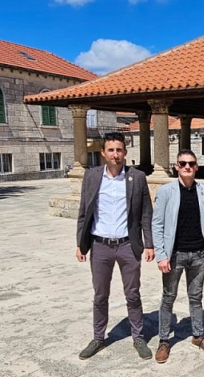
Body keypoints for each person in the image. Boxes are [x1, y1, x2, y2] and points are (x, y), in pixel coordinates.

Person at [76, 133, 155, 361]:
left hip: (128, 245)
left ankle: (138, 337)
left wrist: (149, 244)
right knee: (100, 295)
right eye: (111, 150)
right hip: (100, 245)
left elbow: (146, 213)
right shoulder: (91, 176)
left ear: (125, 152)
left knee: (133, 294)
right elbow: (84, 211)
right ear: (103, 153)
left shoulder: (137, 177)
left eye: (119, 150)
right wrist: (80, 243)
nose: (115, 154)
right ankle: (98, 338)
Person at [151, 149, 204, 364]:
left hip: (198, 253)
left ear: (196, 167)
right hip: (175, 254)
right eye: (183, 163)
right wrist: (161, 255)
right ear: (176, 167)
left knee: (196, 297)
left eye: (191, 163)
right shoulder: (166, 191)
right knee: (168, 297)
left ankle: (198, 336)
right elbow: (157, 224)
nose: (187, 167)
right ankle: (164, 340)